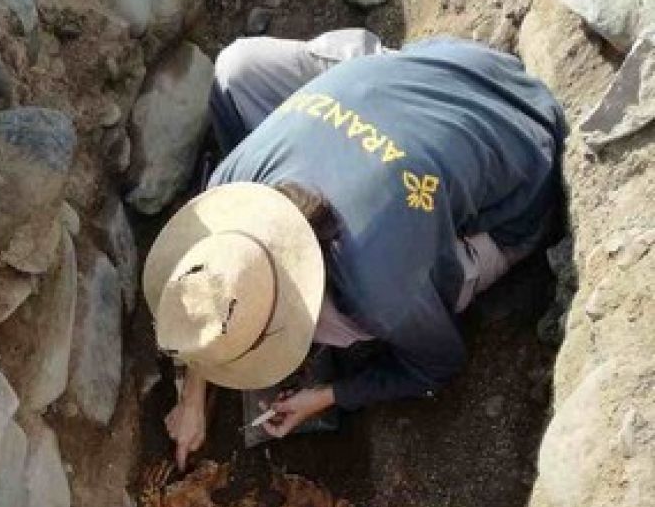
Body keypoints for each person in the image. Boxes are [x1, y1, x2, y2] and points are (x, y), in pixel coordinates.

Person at [143, 30, 567, 471]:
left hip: (526, 140)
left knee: (377, 315)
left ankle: (434, 240)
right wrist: (192, 391)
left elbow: (437, 365)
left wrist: (327, 396)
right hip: (440, 64)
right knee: (237, 67)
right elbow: (217, 279)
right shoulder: (229, 186)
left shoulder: (374, 291)